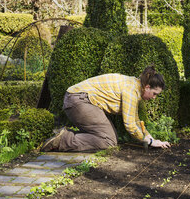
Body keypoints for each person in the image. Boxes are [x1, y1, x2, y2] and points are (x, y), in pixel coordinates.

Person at [41, 65, 171, 152]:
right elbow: (130, 125)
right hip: (79, 101)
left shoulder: (134, 86)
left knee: (109, 138)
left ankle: (65, 136)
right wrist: (148, 141)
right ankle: (63, 140)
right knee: (108, 141)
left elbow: (135, 120)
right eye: (155, 94)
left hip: (79, 100)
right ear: (147, 87)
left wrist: (151, 138)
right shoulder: (131, 90)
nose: (154, 98)